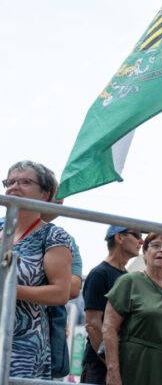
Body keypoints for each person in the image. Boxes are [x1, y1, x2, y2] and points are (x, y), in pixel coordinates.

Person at [3, 160, 73, 379]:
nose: (14, 187)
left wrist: (10, 289)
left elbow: (61, 293)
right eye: (10, 182)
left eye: (25, 182)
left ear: (44, 195)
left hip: (22, 347)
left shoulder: (53, 236)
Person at [102, 233, 162, 385]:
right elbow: (108, 328)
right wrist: (112, 372)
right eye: (156, 245)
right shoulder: (129, 281)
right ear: (144, 253)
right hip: (139, 368)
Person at [80, 225, 144, 384]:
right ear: (119, 237)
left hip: (120, 364)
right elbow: (93, 325)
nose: (141, 241)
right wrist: (112, 367)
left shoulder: (128, 277)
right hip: (99, 366)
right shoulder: (99, 274)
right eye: (136, 235)